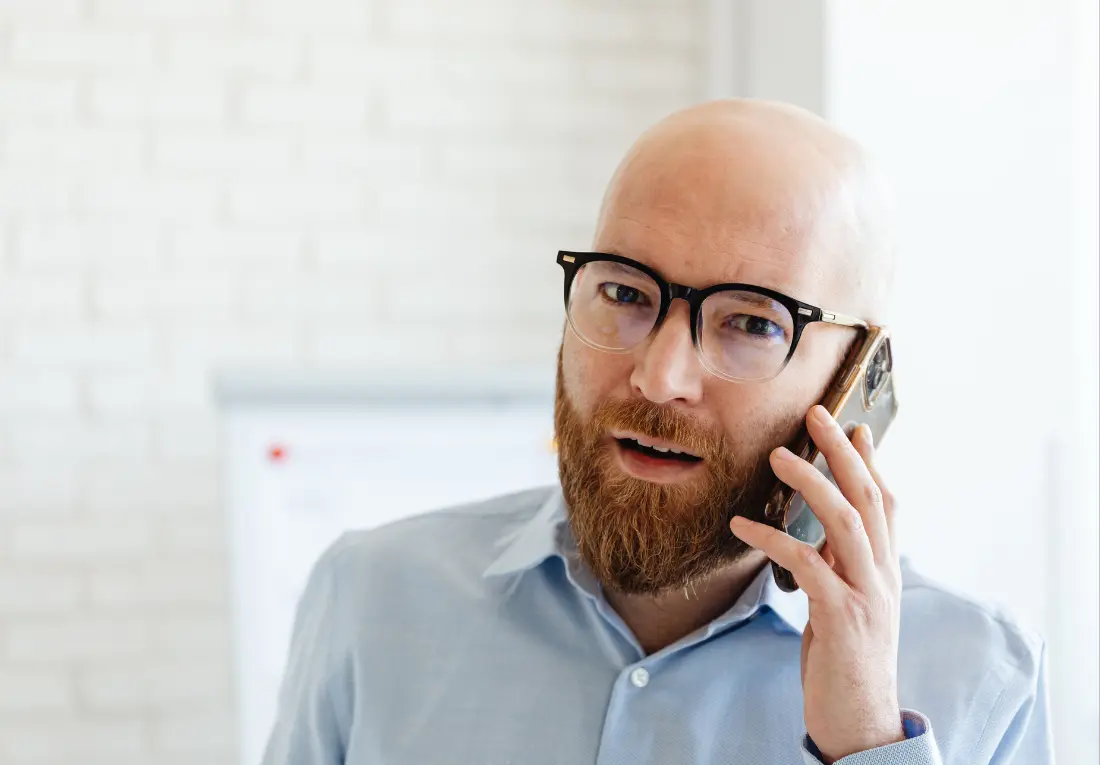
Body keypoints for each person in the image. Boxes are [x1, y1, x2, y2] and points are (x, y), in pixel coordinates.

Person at [262, 100, 1053, 764]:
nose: (658, 375)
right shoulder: (369, 598)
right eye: (625, 292)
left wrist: (869, 743)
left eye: (750, 320)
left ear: (856, 381)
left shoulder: (983, 680)